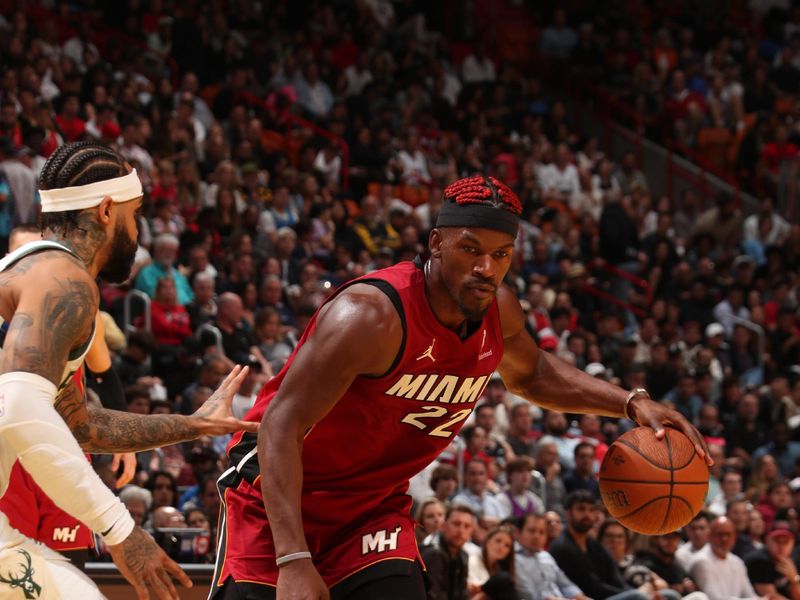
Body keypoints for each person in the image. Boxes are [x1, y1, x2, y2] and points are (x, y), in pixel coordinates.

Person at [212, 175, 710, 599]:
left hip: (370, 508)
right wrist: (294, 557)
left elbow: (533, 374)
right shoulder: (370, 315)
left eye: (501, 254)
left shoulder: (499, 310)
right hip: (275, 496)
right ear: (436, 244)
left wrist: (631, 402)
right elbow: (280, 426)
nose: (486, 268)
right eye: (471, 248)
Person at [0, 141, 256, 599]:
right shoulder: (64, 281)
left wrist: (193, 424)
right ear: (105, 210)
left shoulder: (38, 273)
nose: (137, 231)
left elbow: (78, 423)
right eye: (133, 214)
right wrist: (120, 529)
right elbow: (17, 407)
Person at [549, 491, 647, 600]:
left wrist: (641, 594)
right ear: (568, 513)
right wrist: (637, 594)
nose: (587, 515)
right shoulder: (562, 547)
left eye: (591, 510)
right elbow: (593, 588)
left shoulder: (593, 545)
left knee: (664, 595)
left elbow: (616, 579)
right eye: (581, 509)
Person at [514, 513, 586, 600]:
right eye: (532, 531)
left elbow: (565, 584)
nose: (537, 536)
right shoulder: (513, 558)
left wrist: (581, 597)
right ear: (517, 533)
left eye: (542, 532)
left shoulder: (546, 556)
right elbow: (530, 595)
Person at [688, 517, 757, 600]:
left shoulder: (737, 562)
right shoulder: (701, 561)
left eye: (728, 534)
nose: (724, 539)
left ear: (734, 537)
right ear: (709, 536)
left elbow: (749, 594)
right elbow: (713, 598)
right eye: (720, 534)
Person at [420, 505, 474, 600]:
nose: (461, 531)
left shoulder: (463, 555)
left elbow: (461, 595)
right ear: (443, 525)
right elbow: (431, 597)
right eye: (456, 524)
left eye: (467, 526)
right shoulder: (434, 553)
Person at [744, 520, 800, 600]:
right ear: (767, 540)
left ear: (793, 543)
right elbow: (771, 597)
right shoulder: (759, 560)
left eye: (786, 542)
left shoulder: (792, 560)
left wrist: (794, 580)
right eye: (777, 541)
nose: (781, 546)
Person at [467, 525, 519, 600]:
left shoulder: (499, 569)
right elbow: (474, 591)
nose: (501, 547)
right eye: (498, 541)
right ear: (487, 541)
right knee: (503, 578)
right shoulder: (473, 560)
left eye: (507, 545)